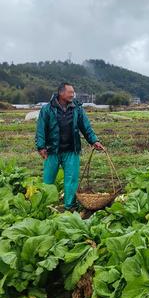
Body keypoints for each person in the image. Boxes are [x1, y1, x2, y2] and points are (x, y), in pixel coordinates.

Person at [35, 82, 104, 210]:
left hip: (71, 150)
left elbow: (86, 126)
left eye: (73, 92)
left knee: (71, 180)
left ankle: (70, 206)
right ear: (61, 93)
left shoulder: (77, 108)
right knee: (48, 180)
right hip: (52, 151)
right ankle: (43, 206)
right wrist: (41, 147)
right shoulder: (47, 109)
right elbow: (41, 129)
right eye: (70, 92)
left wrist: (94, 141)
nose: (73, 95)